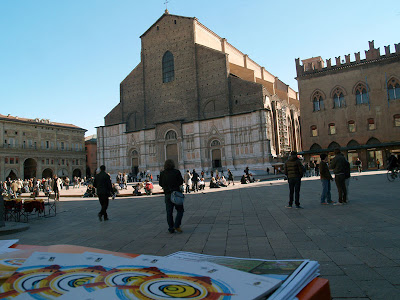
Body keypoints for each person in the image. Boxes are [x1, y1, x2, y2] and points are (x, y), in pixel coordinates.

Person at [159, 159, 184, 234]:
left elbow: (160, 183)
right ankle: (176, 225)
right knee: (180, 210)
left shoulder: (162, 173)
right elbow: (181, 182)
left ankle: (171, 228)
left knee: (169, 212)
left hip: (167, 194)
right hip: (176, 194)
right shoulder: (176, 172)